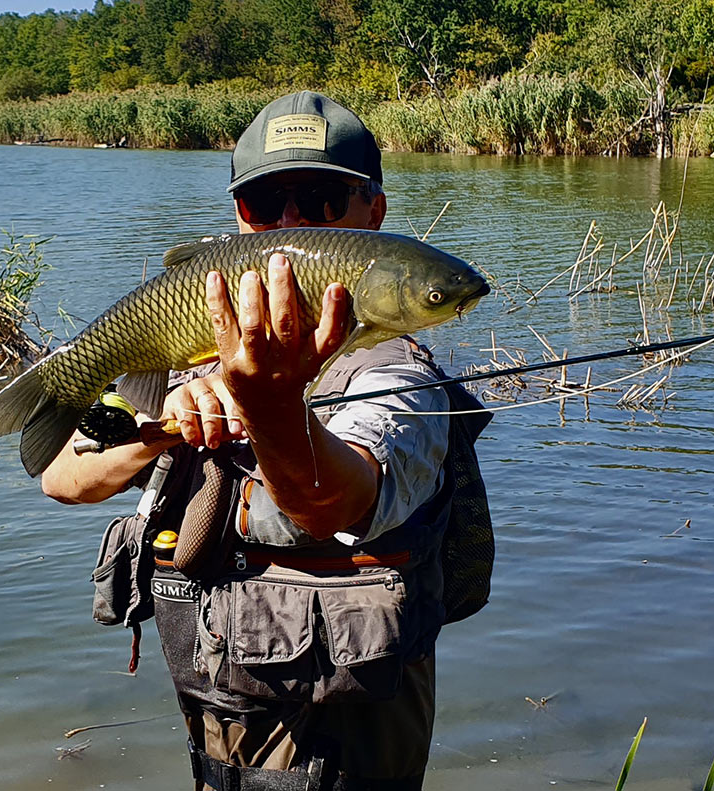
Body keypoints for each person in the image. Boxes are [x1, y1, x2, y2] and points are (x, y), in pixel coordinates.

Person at [42, 91, 489, 790]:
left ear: (372, 213)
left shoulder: (399, 377)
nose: (287, 222)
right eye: (263, 203)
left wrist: (272, 407)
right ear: (237, 217)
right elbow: (64, 475)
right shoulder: (195, 342)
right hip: (218, 749)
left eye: (318, 199)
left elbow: (332, 502)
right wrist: (163, 423)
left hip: (351, 763)